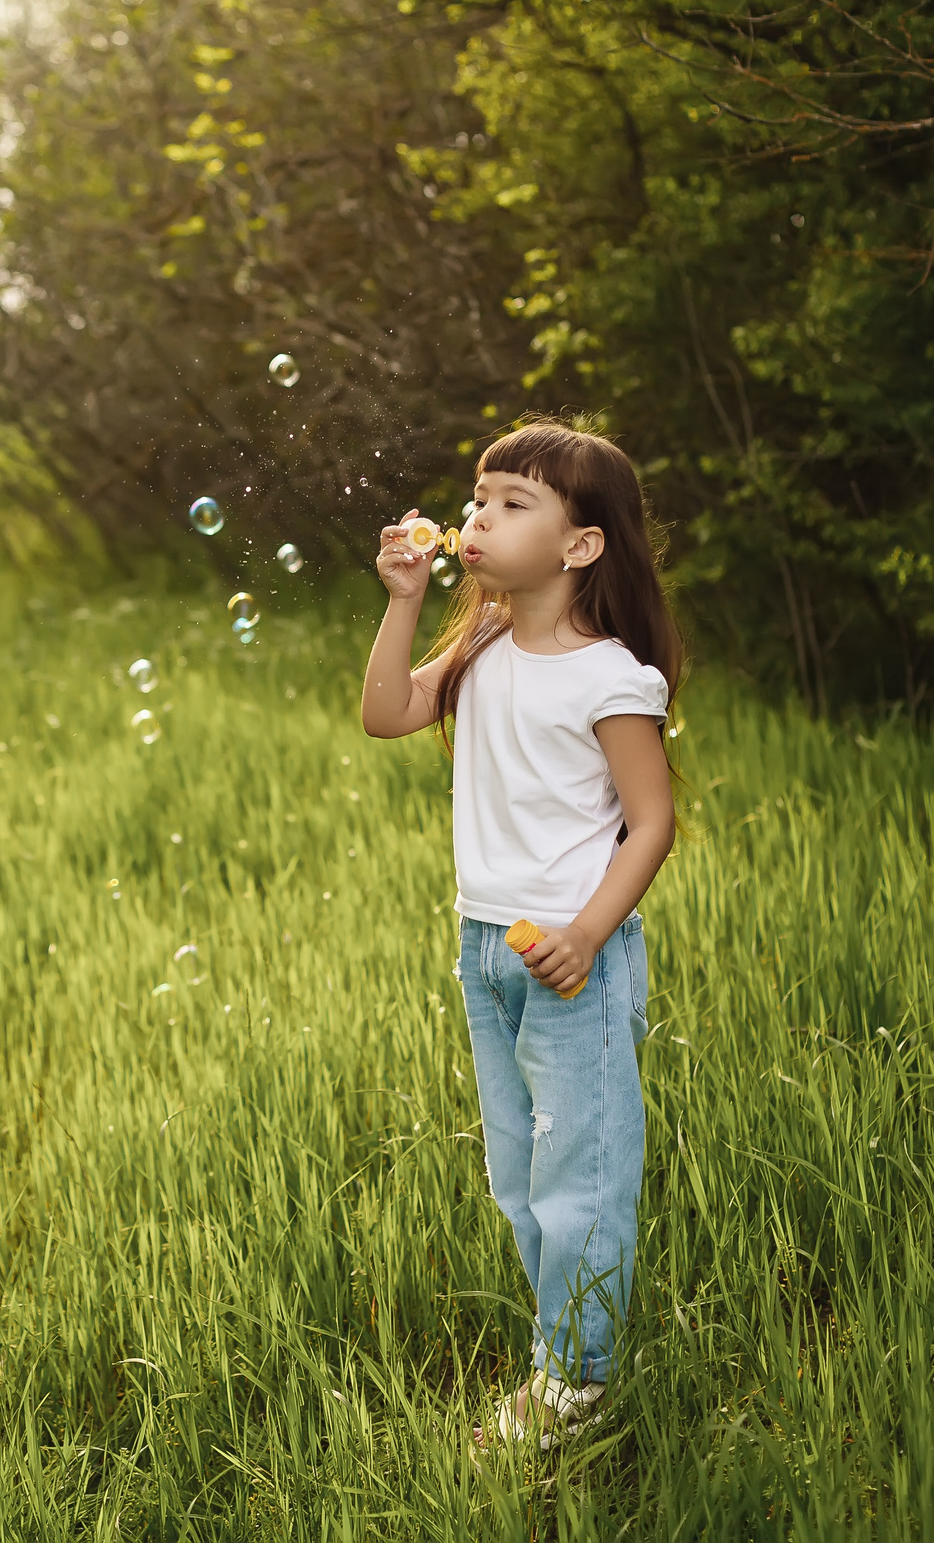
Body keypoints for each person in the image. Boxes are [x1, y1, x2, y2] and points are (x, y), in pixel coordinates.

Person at [357, 421, 680, 1450]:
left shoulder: (610, 676)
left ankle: (576, 1386)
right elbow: (386, 713)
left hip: (570, 957)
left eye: (509, 502)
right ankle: (561, 1355)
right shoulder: (486, 640)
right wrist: (404, 605)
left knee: (578, 1173)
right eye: (476, 499)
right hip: (485, 948)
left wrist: (588, 935)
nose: (476, 518)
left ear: (579, 546)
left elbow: (654, 820)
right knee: (518, 1174)